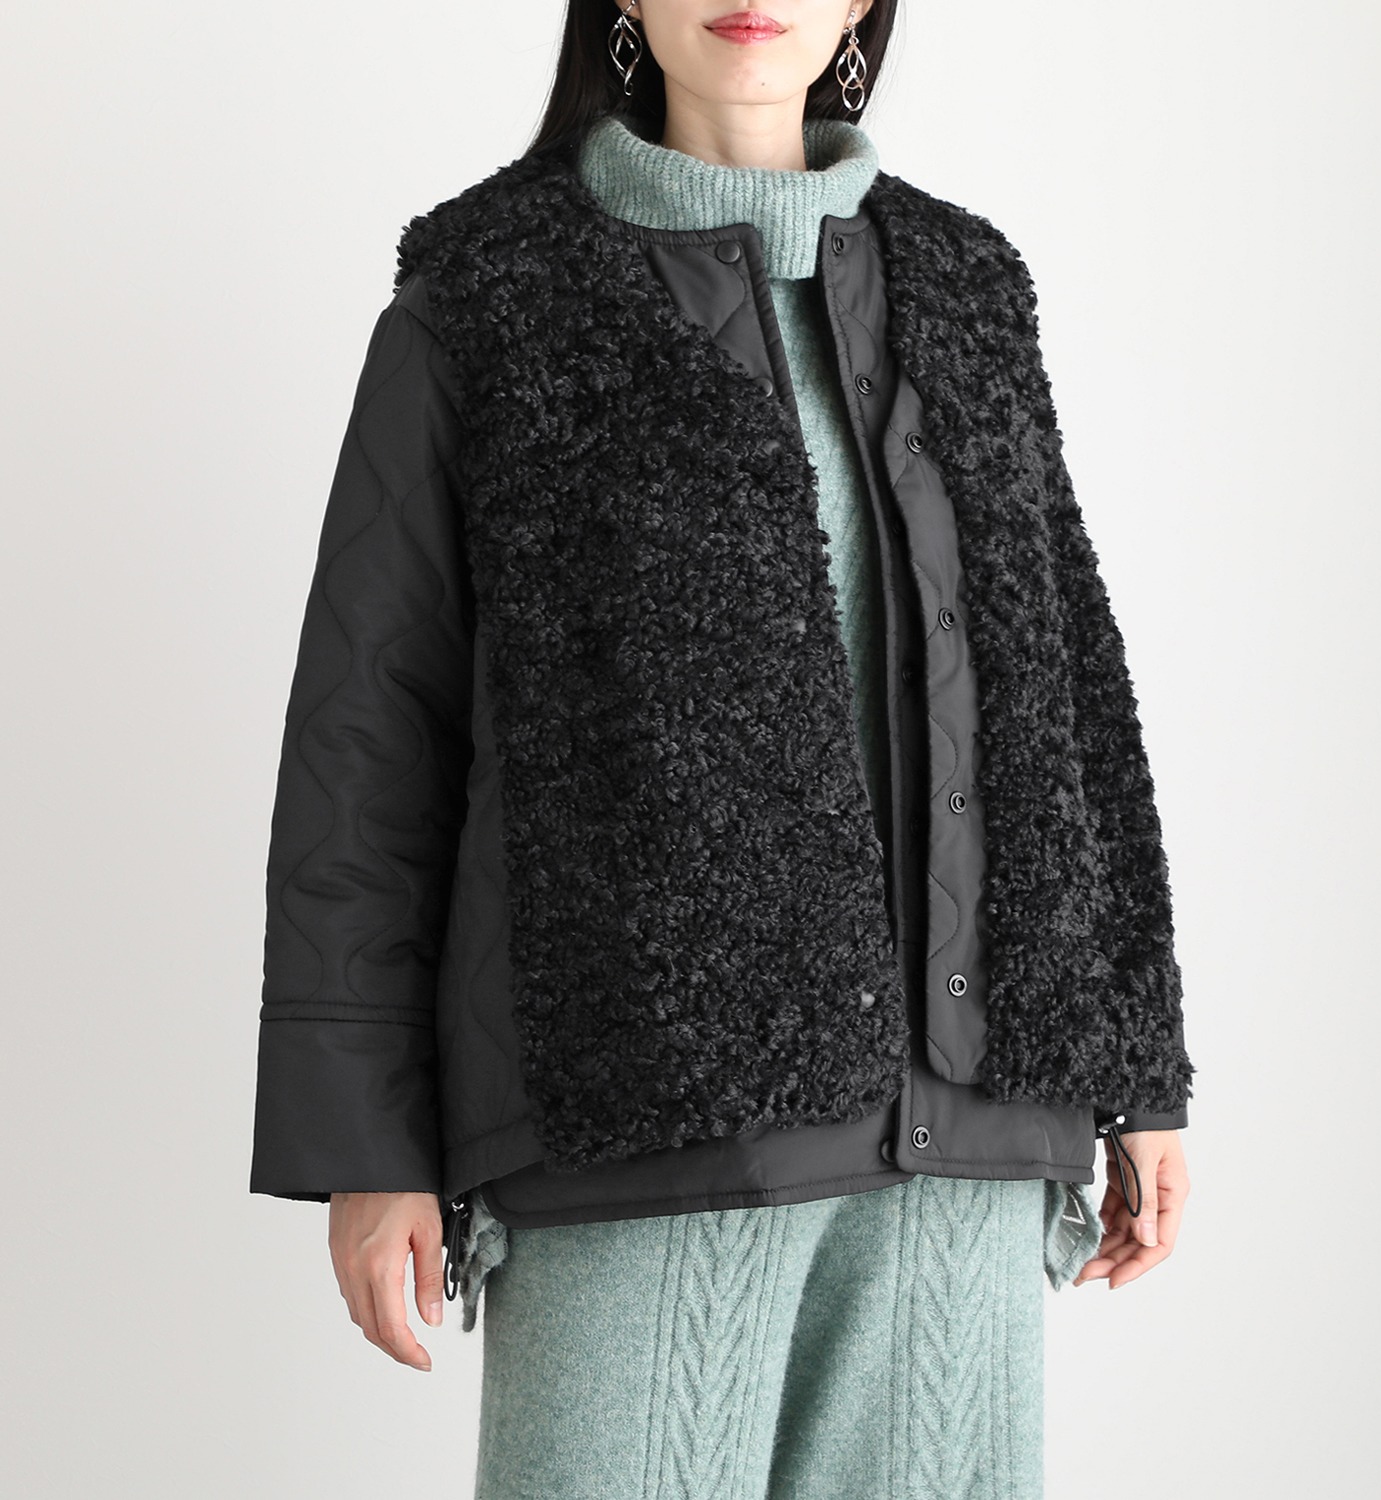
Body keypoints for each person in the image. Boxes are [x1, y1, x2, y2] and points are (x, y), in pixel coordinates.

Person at [250, 2, 1195, 1495]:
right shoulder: (490, 297)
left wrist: (1139, 1069)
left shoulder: (967, 284)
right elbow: (370, 738)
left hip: (970, 1131)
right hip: (641, 1120)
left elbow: (1073, 687)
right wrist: (368, 1146)